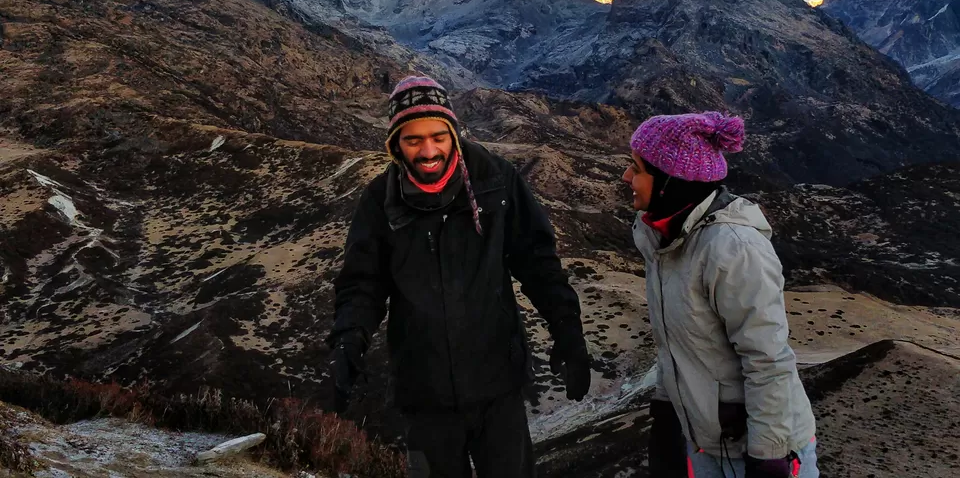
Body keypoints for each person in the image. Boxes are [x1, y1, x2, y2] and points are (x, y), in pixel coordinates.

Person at [329, 76, 591, 478]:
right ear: (395, 143)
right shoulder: (379, 200)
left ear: (453, 133)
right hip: (423, 391)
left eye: (438, 136)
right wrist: (350, 339)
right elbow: (363, 282)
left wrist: (566, 326)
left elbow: (537, 260)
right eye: (413, 139)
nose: (428, 150)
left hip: (498, 385)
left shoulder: (496, 181)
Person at [623, 111, 818, 478]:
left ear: (669, 181)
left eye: (636, 168)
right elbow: (676, 343)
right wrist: (666, 414)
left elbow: (768, 360)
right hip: (708, 444)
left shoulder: (733, 249)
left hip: (756, 450)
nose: (627, 177)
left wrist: (768, 458)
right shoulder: (663, 241)